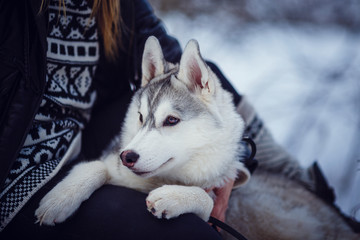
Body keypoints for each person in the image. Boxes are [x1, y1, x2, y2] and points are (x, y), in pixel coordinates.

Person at [0, 0, 314, 239]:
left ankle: (304, 181)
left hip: (80, 139)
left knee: (194, 86)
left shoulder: (111, 4)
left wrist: (229, 164)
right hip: (16, 166)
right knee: (187, 232)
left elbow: (177, 62)